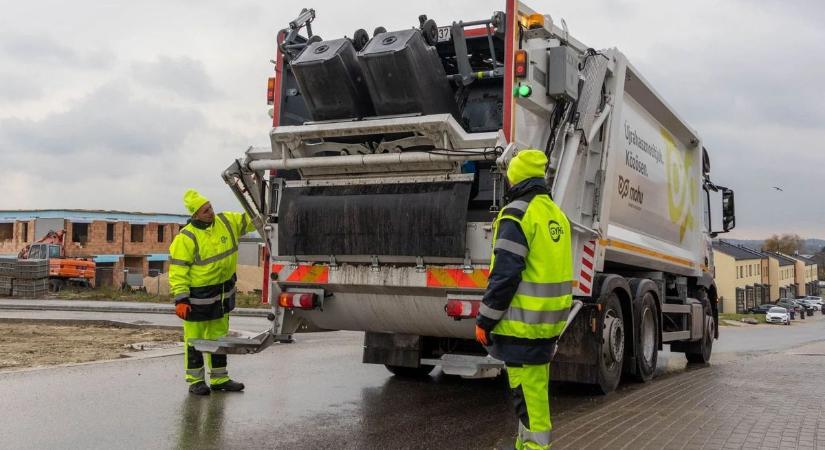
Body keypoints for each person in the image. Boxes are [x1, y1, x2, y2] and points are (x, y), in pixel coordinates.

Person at [475, 149, 573, 450]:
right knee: (531, 397)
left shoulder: (516, 214)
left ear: (515, 177)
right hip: (547, 325)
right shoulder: (556, 214)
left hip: (521, 327)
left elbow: (505, 275)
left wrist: (485, 320)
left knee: (529, 403)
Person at [169, 189, 256, 395]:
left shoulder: (226, 222)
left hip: (222, 294)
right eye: (205, 210)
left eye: (210, 207)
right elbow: (178, 271)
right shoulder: (186, 238)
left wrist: (261, 205)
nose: (210, 212)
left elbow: (252, 220)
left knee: (219, 338)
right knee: (195, 341)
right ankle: (196, 381)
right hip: (197, 298)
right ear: (195, 214)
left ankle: (220, 379)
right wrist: (181, 298)